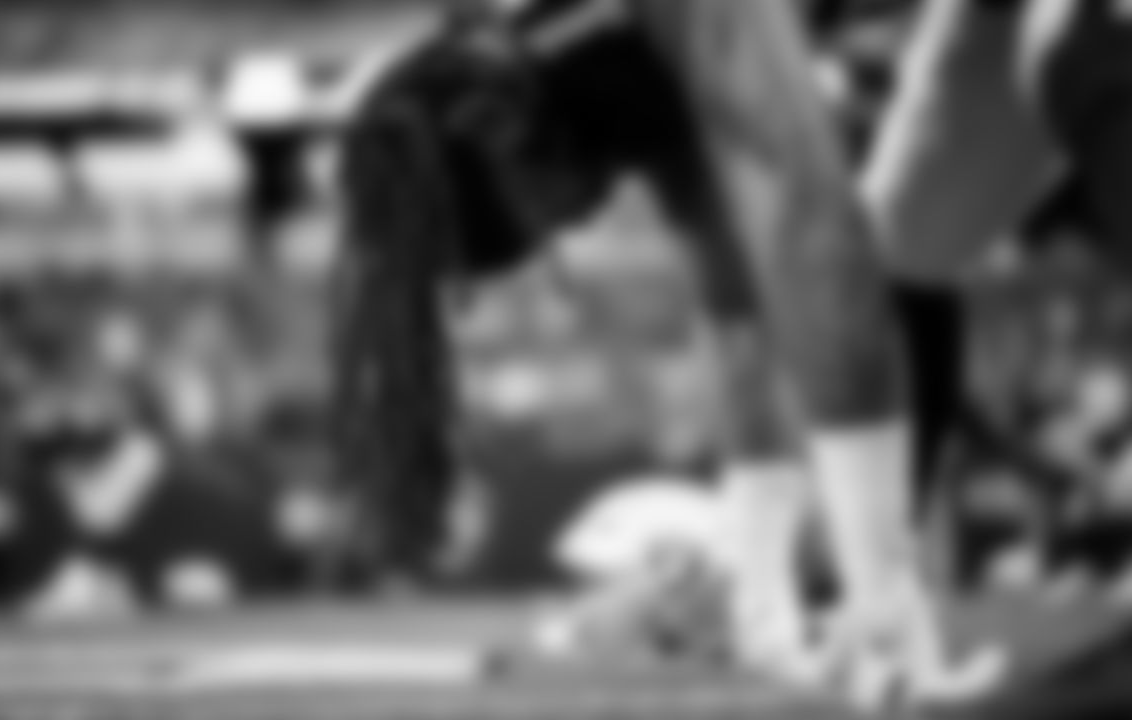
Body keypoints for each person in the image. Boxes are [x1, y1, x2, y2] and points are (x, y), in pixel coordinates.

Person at [331, 0, 998, 706]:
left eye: (542, 210)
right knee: (908, 247)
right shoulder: (609, 74)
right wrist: (757, 590)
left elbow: (817, 232)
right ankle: (803, 592)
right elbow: (736, 298)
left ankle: (888, 606)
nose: (571, 220)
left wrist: (879, 588)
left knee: (859, 252)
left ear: (508, 132)